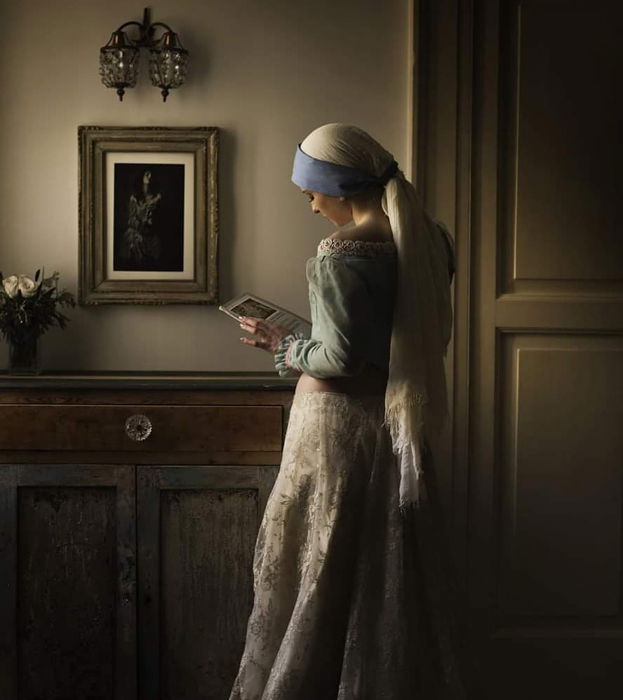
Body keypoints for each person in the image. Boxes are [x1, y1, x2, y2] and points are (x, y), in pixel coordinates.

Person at [229, 123, 468, 699]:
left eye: (311, 192)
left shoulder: (343, 250)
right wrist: (305, 339)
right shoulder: (429, 238)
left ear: (337, 187)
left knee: (321, 562)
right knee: (379, 569)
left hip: (335, 431)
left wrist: (280, 345)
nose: (311, 206)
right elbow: (382, 345)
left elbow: (336, 358)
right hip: (389, 426)